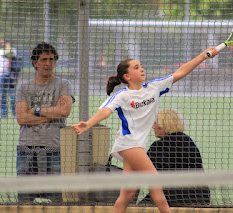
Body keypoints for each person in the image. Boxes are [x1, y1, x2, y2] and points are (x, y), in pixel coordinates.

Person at [72, 47, 218, 213]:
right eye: (136, 67)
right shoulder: (122, 95)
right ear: (127, 76)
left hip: (138, 144)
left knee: (128, 193)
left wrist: (203, 56)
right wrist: (89, 123)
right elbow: (105, 110)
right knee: (154, 179)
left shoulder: (154, 87)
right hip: (128, 143)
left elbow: (180, 72)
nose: (141, 69)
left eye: (141, 65)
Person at [15, 42, 74, 202]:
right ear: (35, 63)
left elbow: (64, 111)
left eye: (51, 59)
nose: (48, 63)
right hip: (27, 147)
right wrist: (52, 114)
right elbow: (21, 118)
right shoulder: (24, 88)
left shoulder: (64, 84)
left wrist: (36, 110)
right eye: (43, 60)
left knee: (56, 197)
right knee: (25, 198)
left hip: (54, 146)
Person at [140, 108, 210, 207]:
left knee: (139, 207)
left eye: (155, 123)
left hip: (172, 198)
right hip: (201, 197)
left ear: (164, 126)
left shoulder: (159, 146)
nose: (153, 127)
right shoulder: (188, 142)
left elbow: (145, 174)